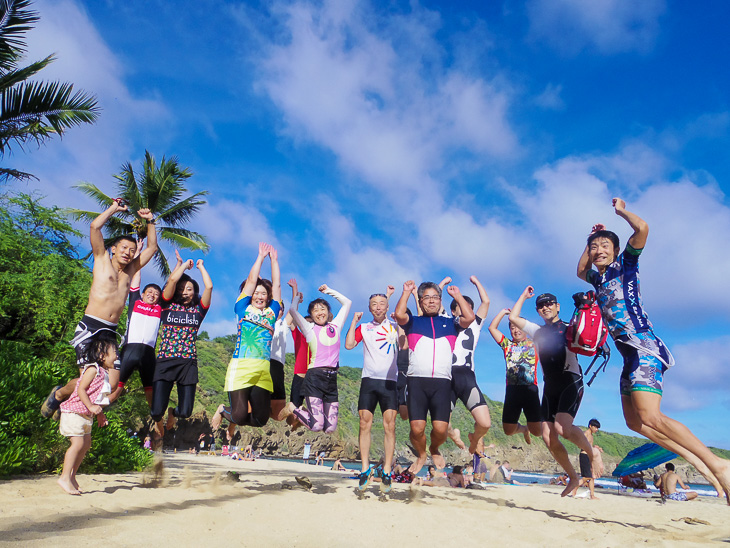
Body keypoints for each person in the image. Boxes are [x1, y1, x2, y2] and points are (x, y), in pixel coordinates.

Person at [577, 198, 730, 502]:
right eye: (596, 248)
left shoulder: (625, 266)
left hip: (644, 347)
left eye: (605, 245)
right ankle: (700, 461)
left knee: (652, 416)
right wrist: (589, 239)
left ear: (616, 251)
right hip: (627, 356)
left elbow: (643, 228)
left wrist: (620, 213)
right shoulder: (597, 277)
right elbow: (581, 269)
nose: (599, 250)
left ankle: (717, 464)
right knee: (635, 422)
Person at [41, 200, 158, 418]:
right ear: (114, 248)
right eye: (123, 248)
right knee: (88, 379)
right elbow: (95, 227)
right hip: (91, 326)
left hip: (110, 332)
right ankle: (60, 395)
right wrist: (114, 208)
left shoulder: (131, 269)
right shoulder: (102, 259)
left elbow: (151, 247)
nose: (128, 252)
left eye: (132, 250)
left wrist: (150, 221)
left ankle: (64, 395)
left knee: (111, 385)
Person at [509, 287, 595, 497]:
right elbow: (513, 317)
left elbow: (590, 332)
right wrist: (523, 296)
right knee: (548, 437)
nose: (545, 307)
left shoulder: (569, 327)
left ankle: (593, 456)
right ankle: (573, 477)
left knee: (562, 427)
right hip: (550, 387)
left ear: (558, 307)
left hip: (570, 381)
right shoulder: (537, 331)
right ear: (538, 311)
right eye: (541, 305)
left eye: (549, 303)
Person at [394, 280, 474, 474]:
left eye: (435, 297)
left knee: (440, 429)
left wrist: (458, 296)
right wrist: (405, 292)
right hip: (416, 381)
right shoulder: (413, 322)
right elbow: (398, 314)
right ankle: (422, 454)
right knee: (417, 428)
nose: (431, 301)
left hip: (442, 382)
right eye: (427, 298)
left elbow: (469, 317)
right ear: (420, 302)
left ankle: (434, 448)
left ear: (440, 300)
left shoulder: (451, 323)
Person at [211, 242, 282, 431]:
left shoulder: (272, 312)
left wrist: (274, 261)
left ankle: (232, 416)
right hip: (241, 366)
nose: (259, 296)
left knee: (261, 420)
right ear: (250, 296)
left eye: (263, 294)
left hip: (262, 370)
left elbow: (277, 285)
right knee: (239, 416)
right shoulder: (242, 308)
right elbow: (251, 281)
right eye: (256, 293)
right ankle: (222, 410)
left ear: (268, 297)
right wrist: (260, 257)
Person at [150, 256, 213, 439]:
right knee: (155, 412)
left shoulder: (199, 310)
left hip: (188, 363)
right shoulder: (167, 305)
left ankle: (173, 413)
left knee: (185, 411)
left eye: (190, 289)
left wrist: (201, 267)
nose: (185, 292)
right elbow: (171, 280)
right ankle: (160, 419)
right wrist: (185, 265)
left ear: (195, 292)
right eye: (182, 289)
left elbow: (209, 287)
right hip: (165, 360)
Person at [345, 287, 399, 493]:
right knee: (364, 423)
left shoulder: (395, 325)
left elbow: (403, 345)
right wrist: (353, 323)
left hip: (390, 382)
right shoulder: (365, 327)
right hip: (369, 381)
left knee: (390, 426)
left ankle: (386, 471)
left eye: (381, 303)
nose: (378, 307)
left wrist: (399, 320)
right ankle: (365, 468)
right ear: (369, 308)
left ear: (387, 306)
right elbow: (349, 345)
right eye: (374, 304)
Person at [283, 279, 352, 433]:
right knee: (316, 426)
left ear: (328, 312)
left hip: (331, 380)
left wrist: (328, 291)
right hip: (314, 378)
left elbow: (347, 303)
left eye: (323, 309)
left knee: (329, 429)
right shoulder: (308, 328)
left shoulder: (336, 326)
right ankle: (294, 408)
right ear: (312, 315)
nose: (320, 312)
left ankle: (302, 413)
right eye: (315, 310)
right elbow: (293, 311)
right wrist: (296, 298)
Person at [57, 338, 116, 495]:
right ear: (102, 355)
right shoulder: (93, 369)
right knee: (77, 444)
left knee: (86, 444)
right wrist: (90, 406)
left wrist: (100, 414)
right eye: (114, 353)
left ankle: (72, 476)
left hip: (85, 415)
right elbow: (81, 389)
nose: (116, 357)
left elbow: (96, 397)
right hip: (74, 411)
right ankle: (64, 477)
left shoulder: (104, 374)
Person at [111, 241, 164, 408]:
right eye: (150, 292)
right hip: (129, 349)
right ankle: (95, 410)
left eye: (156, 294)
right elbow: (136, 276)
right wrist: (138, 253)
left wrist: (179, 265)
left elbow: (170, 288)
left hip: (148, 353)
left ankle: (156, 424)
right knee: (116, 388)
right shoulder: (135, 302)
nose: (153, 295)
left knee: (150, 391)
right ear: (142, 294)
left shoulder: (159, 310)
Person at [449, 276, 492, 455]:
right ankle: (453, 434)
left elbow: (486, 301)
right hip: (447, 376)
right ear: (453, 311)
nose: (467, 310)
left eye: (470, 308)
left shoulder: (475, 325)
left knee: (485, 423)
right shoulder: (446, 323)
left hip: (467, 376)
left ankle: (475, 437)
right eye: (462, 306)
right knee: (441, 426)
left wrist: (476, 283)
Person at [488, 307, 541, 444]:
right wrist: (502, 312)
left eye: (519, 326)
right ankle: (524, 429)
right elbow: (492, 328)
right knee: (508, 430)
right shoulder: (507, 345)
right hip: (512, 391)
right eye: (512, 328)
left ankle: (538, 428)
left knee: (537, 431)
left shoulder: (535, 343)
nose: (516, 330)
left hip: (530, 390)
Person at [577, 418, 601, 500]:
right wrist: (589, 448)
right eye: (596, 427)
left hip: (589, 457)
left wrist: (595, 448)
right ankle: (573, 488)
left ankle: (592, 495)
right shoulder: (585, 434)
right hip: (584, 456)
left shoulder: (591, 436)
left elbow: (589, 447)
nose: (597, 429)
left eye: (598, 428)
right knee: (587, 477)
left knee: (592, 477)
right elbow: (579, 445)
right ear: (590, 426)